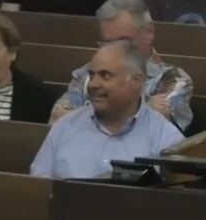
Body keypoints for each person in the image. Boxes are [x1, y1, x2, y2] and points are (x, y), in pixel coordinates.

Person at [30, 41, 185, 180]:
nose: (93, 84)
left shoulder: (167, 140)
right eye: (92, 75)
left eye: (105, 75)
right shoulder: (64, 126)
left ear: (136, 81)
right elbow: (38, 188)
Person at [50, 0, 194, 132]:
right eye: (107, 43)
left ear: (149, 31)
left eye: (123, 41)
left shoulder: (172, 79)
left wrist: (85, 114)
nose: (114, 51)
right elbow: (57, 120)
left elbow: (155, 128)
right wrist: (143, 109)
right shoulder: (86, 74)